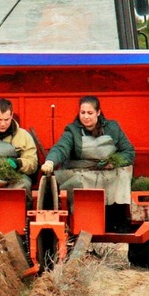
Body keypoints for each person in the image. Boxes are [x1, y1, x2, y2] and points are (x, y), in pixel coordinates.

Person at [42, 95, 135, 228]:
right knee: (79, 181)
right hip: (82, 172)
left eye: (90, 113)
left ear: (98, 112)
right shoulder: (72, 130)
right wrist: (50, 161)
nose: (86, 116)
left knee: (122, 175)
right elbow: (61, 148)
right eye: (83, 113)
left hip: (108, 171)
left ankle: (117, 221)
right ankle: (84, 221)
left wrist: (113, 163)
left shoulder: (113, 127)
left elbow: (129, 152)